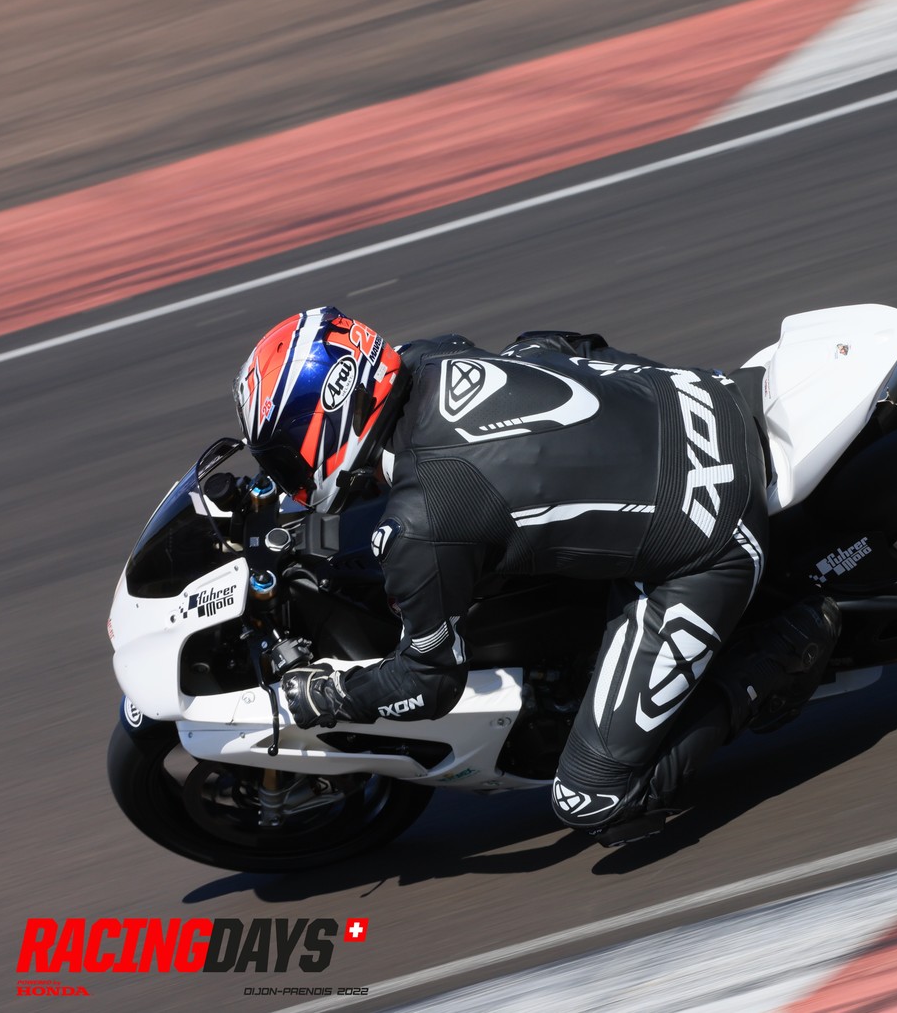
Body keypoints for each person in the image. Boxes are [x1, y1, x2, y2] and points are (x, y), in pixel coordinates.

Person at [233, 306, 839, 845]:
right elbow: (568, 344)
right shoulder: (428, 359)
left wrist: (331, 695)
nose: (286, 475)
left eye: (284, 456)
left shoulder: (423, 522)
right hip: (710, 395)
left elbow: (430, 682)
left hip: (712, 536)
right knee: (533, 349)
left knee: (592, 801)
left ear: (333, 412)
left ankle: (783, 651)